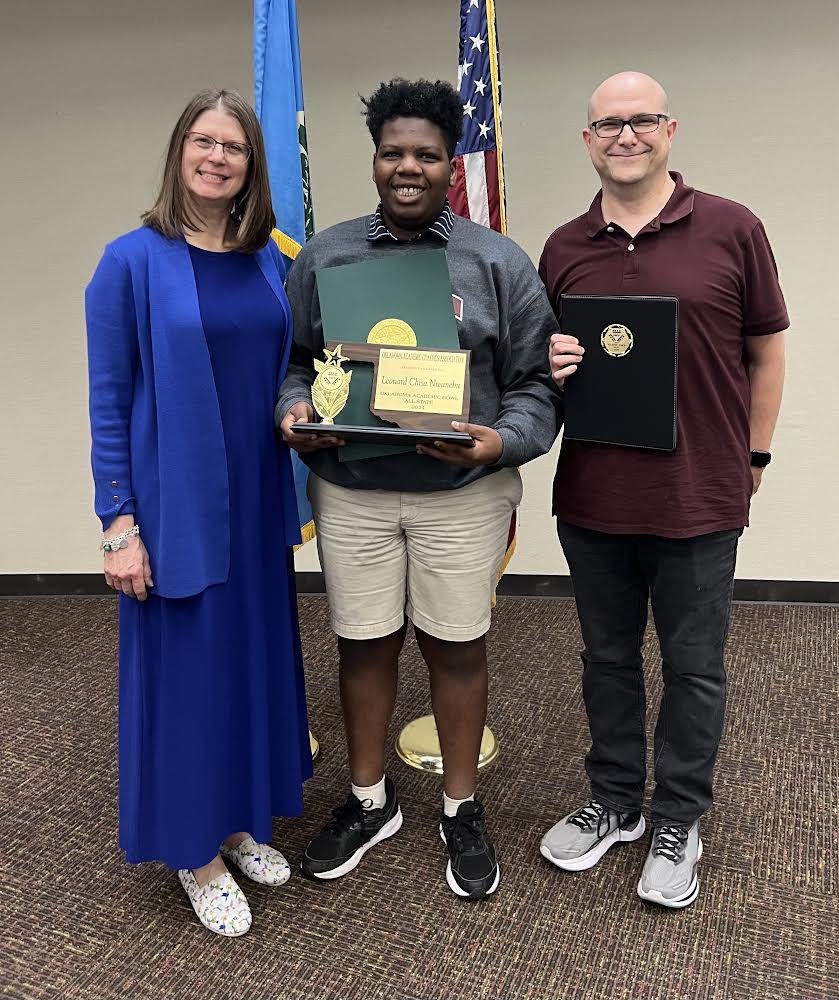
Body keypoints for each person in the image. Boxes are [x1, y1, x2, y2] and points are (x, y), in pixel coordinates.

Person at [278, 78, 560, 900]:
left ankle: (460, 806)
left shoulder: (496, 260)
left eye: (426, 155)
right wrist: (294, 408)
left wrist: (499, 442)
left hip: (461, 494)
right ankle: (370, 801)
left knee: (456, 643)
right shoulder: (326, 256)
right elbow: (297, 362)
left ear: (449, 164)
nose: (408, 167)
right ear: (374, 161)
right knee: (362, 641)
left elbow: (536, 384)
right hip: (354, 489)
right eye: (393, 152)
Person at [538, 72, 788, 909]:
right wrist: (550, 365)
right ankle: (615, 801)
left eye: (641, 120)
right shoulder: (563, 245)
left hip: (698, 496)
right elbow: (546, 365)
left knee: (693, 667)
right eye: (607, 124)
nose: (625, 136)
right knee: (605, 660)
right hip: (594, 495)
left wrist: (750, 461)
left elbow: (767, 350)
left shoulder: (731, 227)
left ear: (669, 129)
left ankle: (679, 814)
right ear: (587, 140)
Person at [85, 89, 312, 936]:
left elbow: (293, 366)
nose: (218, 157)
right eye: (203, 141)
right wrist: (119, 526)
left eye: (235, 148)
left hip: (255, 498)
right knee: (185, 674)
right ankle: (193, 851)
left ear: (251, 165)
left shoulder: (266, 258)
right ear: (180, 150)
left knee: (245, 663)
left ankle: (237, 818)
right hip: (175, 502)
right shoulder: (130, 261)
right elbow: (109, 402)